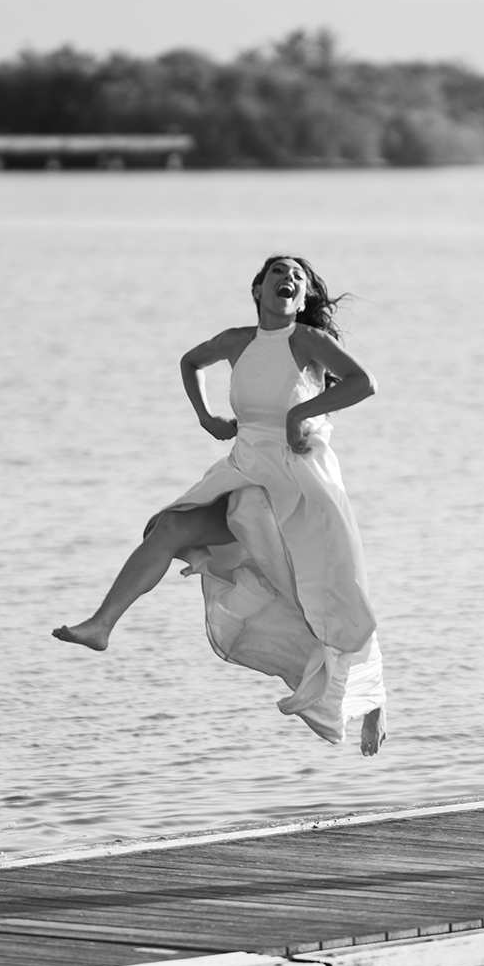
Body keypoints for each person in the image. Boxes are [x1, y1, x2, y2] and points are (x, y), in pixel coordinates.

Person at [52, 255, 388, 755]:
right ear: (258, 289)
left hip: (299, 481)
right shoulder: (236, 342)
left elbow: (364, 383)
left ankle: (372, 697)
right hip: (245, 468)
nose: (288, 279)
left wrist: (300, 413)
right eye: (278, 273)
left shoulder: (309, 341)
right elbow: (190, 362)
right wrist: (206, 417)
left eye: (297, 277)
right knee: (170, 529)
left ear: (302, 298)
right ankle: (101, 625)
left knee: (329, 598)